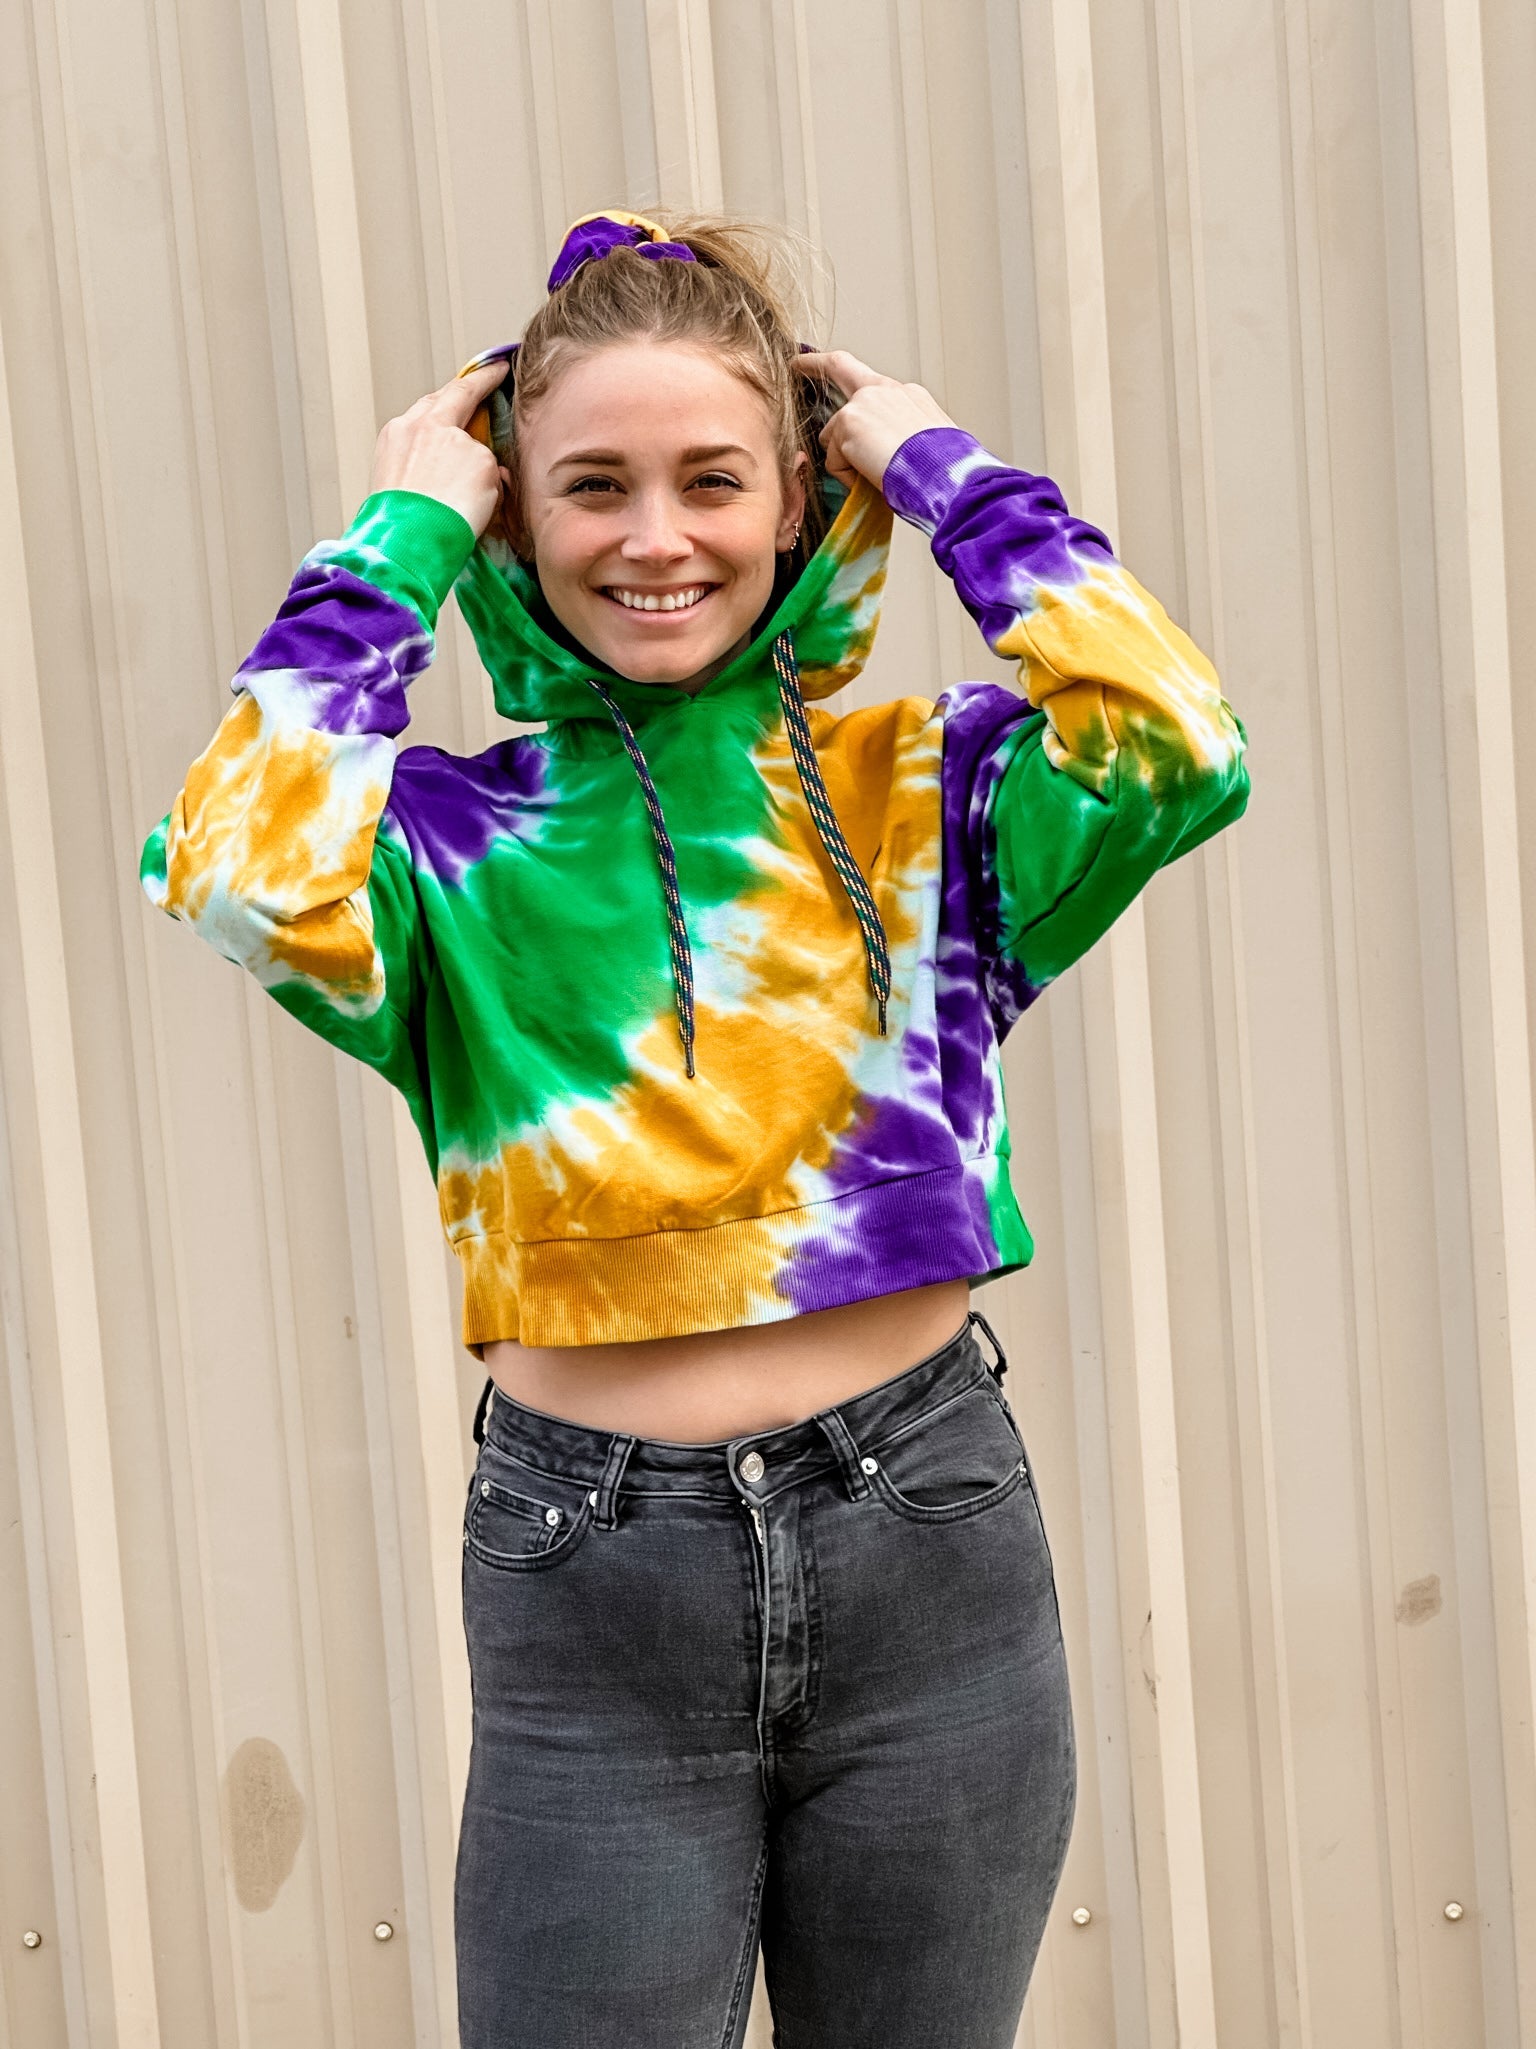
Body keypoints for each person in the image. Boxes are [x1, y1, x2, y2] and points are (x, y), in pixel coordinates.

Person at [140, 208, 1249, 2047]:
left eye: (714, 480)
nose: (655, 537)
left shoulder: (934, 790)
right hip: (594, 1586)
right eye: (592, 486)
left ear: (800, 502)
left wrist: (938, 468)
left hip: (931, 1545)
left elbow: (1182, 744)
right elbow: (241, 874)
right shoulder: (438, 847)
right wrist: (396, 536)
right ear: (514, 520)